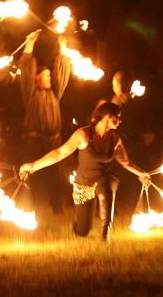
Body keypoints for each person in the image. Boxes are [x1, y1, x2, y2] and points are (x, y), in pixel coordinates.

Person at [19, 102, 151, 242]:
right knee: (82, 231)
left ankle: (105, 236)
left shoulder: (115, 138)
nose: (120, 120)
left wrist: (142, 173)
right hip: (83, 185)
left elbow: (125, 161)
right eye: (118, 117)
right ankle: (79, 222)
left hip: (105, 179)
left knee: (107, 185)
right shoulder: (83, 134)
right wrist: (32, 166)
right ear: (108, 116)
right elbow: (59, 153)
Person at [17, 29, 72, 215]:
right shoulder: (29, 94)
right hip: (32, 142)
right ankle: (26, 209)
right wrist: (29, 44)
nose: (49, 78)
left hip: (53, 142)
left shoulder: (55, 93)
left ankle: (57, 208)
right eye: (45, 76)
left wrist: (62, 50)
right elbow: (25, 69)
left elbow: (62, 73)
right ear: (36, 78)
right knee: (29, 175)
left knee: (54, 177)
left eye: (50, 76)